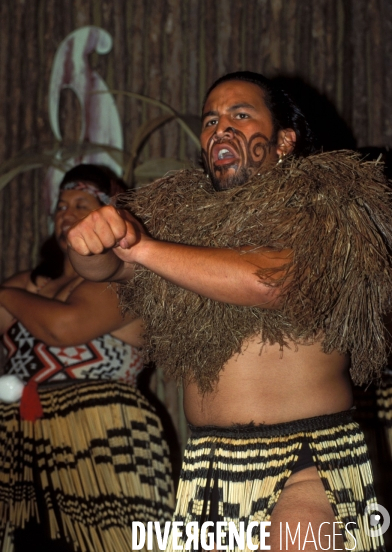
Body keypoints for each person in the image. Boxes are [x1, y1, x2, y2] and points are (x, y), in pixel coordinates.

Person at [67, 73, 392, 552]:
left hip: (306, 463)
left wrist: (143, 249)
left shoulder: (330, 201)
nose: (221, 128)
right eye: (211, 120)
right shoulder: (177, 218)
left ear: (284, 140)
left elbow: (272, 279)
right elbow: (105, 269)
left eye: (241, 115)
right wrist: (89, 244)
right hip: (209, 471)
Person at [0, 164, 174, 552]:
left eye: (81, 204)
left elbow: (66, 327)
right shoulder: (29, 283)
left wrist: (6, 298)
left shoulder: (125, 279)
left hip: (101, 442)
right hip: (23, 439)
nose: (66, 213)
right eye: (61, 205)